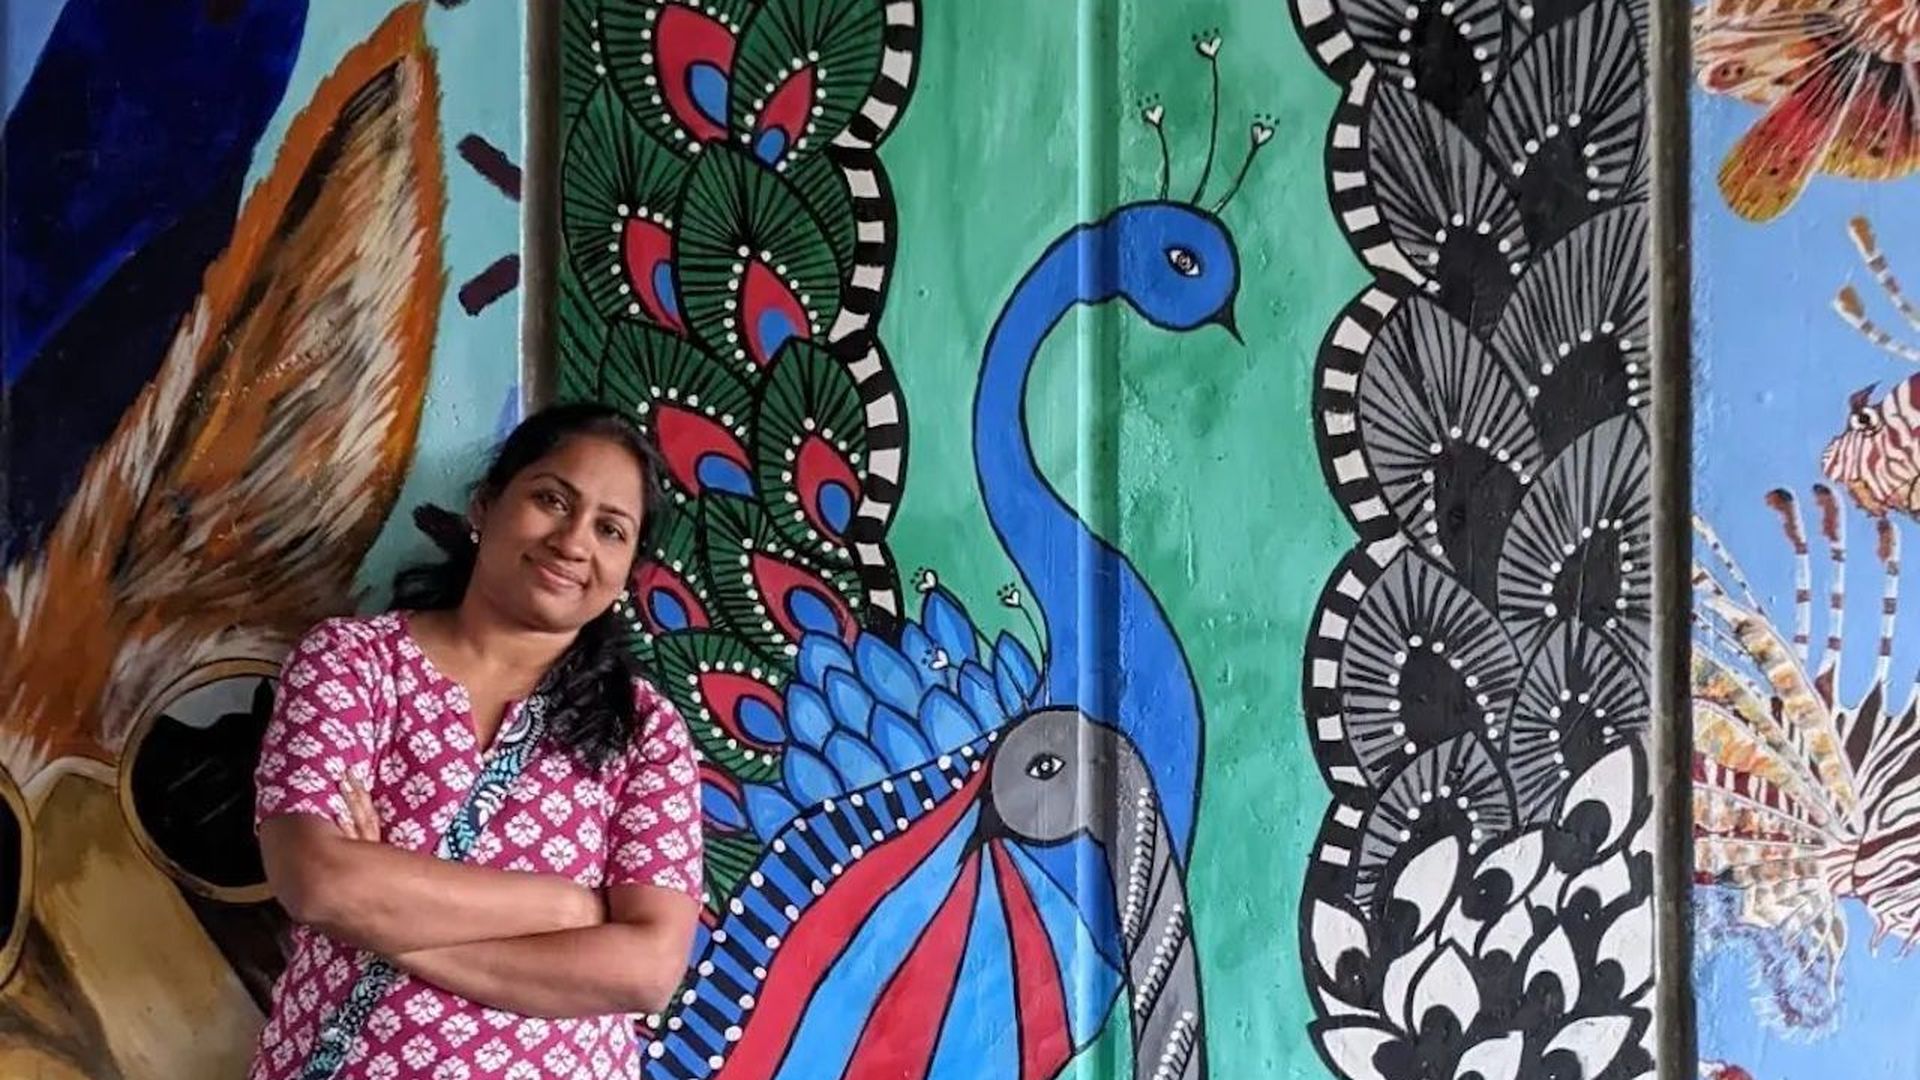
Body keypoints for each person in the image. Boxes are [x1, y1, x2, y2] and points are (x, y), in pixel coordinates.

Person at [247, 403, 704, 1080]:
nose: (573, 542)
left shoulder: (643, 730)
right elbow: (315, 881)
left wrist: (384, 920)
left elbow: (645, 971)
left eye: (611, 529)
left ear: (626, 570)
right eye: (552, 499)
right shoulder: (354, 663)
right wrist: (563, 906)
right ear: (485, 508)